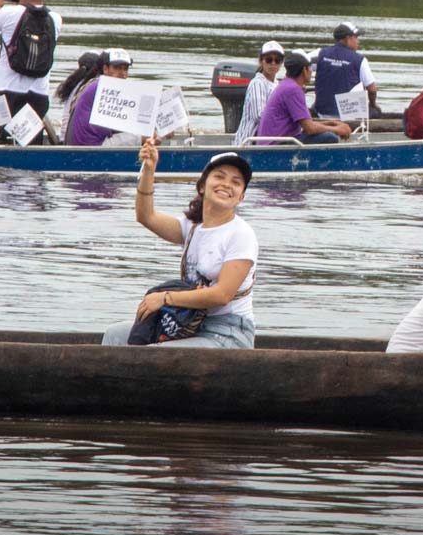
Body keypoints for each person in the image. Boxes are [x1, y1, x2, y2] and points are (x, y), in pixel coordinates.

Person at [102, 145, 258, 349]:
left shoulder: (240, 234)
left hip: (228, 332)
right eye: (219, 177)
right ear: (202, 186)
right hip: (189, 325)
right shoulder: (193, 227)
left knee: (152, 355)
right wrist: (149, 170)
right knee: (115, 335)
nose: (227, 185)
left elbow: (222, 295)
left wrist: (165, 298)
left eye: (236, 183)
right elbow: (145, 216)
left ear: (240, 197)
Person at [257, 52, 354, 144]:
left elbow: (307, 123)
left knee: (328, 133)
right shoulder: (292, 89)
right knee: (329, 137)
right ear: (304, 70)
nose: (311, 71)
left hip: (281, 139)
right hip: (276, 144)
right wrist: (337, 129)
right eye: (310, 68)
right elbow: (310, 128)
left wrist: (331, 123)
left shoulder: (288, 85)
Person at [54, 49, 142, 146]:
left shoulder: (95, 83)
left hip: (84, 143)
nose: (122, 73)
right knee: (143, 137)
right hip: (92, 145)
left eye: (125, 69)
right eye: (117, 68)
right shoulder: (104, 88)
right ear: (105, 69)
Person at [312, 22, 380, 117]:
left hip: (322, 112)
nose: (358, 41)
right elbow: (372, 90)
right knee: (376, 112)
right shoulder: (360, 60)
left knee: (314, 106)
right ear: (348, 38)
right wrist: (373, 104)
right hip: (348, 115)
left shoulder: (320, 53)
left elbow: (300, 65)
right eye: (356, 37)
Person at [234, 41, 287, 143]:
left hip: (269, 138)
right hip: (249, 142)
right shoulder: (257, 83)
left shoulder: (277, 85)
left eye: (277, 60)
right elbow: (259, 115)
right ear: (261, 61)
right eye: (269, 60)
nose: (273, 63)